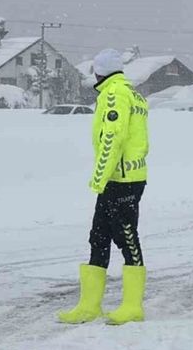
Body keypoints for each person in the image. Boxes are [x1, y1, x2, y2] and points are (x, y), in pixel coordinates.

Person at [58, 48, 150, 325]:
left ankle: (132, 307)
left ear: (100, 72)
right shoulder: (132, 93)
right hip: (123, 179)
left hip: (121, 181)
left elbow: (112, 139)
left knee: (126, 238)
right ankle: (89, 306)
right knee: (98, 237)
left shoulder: (114, 95)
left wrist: (99, 178)